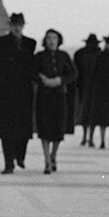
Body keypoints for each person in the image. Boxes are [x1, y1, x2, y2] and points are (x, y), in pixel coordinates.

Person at [0, 13, 37, 172]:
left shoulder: (31, 44)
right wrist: (1, 84)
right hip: (7, 92)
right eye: (15, 24)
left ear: (23, 26)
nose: (17, 27)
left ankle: (20, 155)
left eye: (20, 24)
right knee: (6, 129)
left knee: (24, 128)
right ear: (10, 25)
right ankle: (9, 163)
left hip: (24, 92)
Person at [33, 29, 77, 173]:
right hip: (44, 96)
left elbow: (73, 73)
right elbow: (32, 72)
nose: (52, 41)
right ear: (45, 40)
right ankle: (47, 159)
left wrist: (60, 80)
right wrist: (43, 80)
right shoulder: (39, 56)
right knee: (45, 128)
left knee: (58, 128)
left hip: (59, 96)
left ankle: (53, 155)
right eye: (49, 38)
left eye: (54, 38)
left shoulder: (64, 56)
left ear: (59, 40)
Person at [73, 34, 101, 146]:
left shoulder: (79, 53)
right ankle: (89, 137)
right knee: (91, 113)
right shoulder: (99, 54)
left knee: (85, 113)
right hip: (93, 87)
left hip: (84, 86)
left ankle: (86, 137)